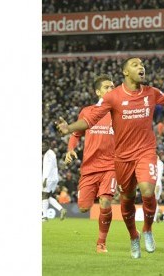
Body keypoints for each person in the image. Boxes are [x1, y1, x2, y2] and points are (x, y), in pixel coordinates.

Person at [56, 57, 164, 259]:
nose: (141, 66)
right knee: (127, 199)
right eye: (135, 65)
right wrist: (69, 129)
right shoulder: (113, 97)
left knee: (147, 189)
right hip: (122, 157)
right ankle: (134, 236)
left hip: (145, 152)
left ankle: (148, 229)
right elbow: (88, 121)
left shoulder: (150, 93)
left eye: (142, 64)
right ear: (125, 73)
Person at [64, 74, 116, 253]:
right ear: (98, 92)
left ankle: (101, 242)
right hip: (89, 167)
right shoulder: (87, 112)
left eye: (112, 87)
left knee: (105, 202)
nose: (111, 89)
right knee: (84, 207)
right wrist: (71, 149)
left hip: (111, 166)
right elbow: (75, 134)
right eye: (107, 87)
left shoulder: (118, 112)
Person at [42, 140, 67, 221]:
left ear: (48, 146)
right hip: (54, 178)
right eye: (41, 146)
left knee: (44, 195)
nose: (42, 147)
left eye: (44, 146)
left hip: (49, 178)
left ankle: (44, 217)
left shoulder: (48, 154)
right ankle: (61, 209)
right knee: (48, 196)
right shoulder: (51, 153)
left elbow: (49, 166)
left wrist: (45, 178)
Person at [154, 155, 164, 222]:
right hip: (157, 183)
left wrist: (157, 184)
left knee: (154, 201)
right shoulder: (160, 163)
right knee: (155, 201)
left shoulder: (158, 163)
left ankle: (154, 217)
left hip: (156, 183)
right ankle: (157, 215)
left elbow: (158, 174)